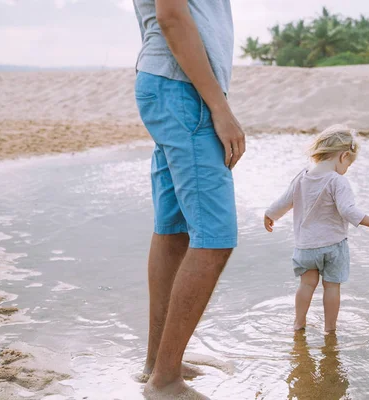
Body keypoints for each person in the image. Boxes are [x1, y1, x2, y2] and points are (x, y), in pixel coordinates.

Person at [132, 0, 244, 398]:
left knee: (175, 228)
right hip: (183, 89)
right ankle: (165, 383)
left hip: (171, 84)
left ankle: (159, 364)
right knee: (215, 238)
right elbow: (172, 16)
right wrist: (220, 107)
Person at [264, 125, 369, 333]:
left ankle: (298, 323)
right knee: (331, 287)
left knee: (306, 285)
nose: (347, 169)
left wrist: (270, 214)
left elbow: (285, 200)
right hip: (333, 247)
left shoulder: (302, 176)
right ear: (344, 155)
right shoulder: (338, 181)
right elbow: (348, 210)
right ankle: (330, 329)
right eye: (349, 164)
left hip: (306, 247)